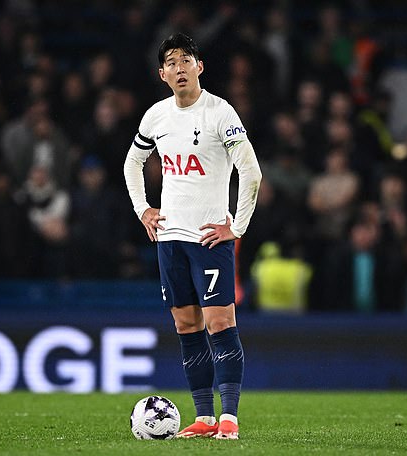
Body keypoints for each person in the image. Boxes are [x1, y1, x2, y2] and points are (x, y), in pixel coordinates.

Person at [123, 33, 262, 440]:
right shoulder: (156, 117)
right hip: (169, 239)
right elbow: (133, 163)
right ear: (162, 73)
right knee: (187, 326)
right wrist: (143, 209)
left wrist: (235, 227)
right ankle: (204, 417)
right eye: (172, 62)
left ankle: (230, 418)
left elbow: (250, 171)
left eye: (187, 59)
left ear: (200, 67)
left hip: (209, 240)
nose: (180, 67)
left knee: (220, 322)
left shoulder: (221, 113)